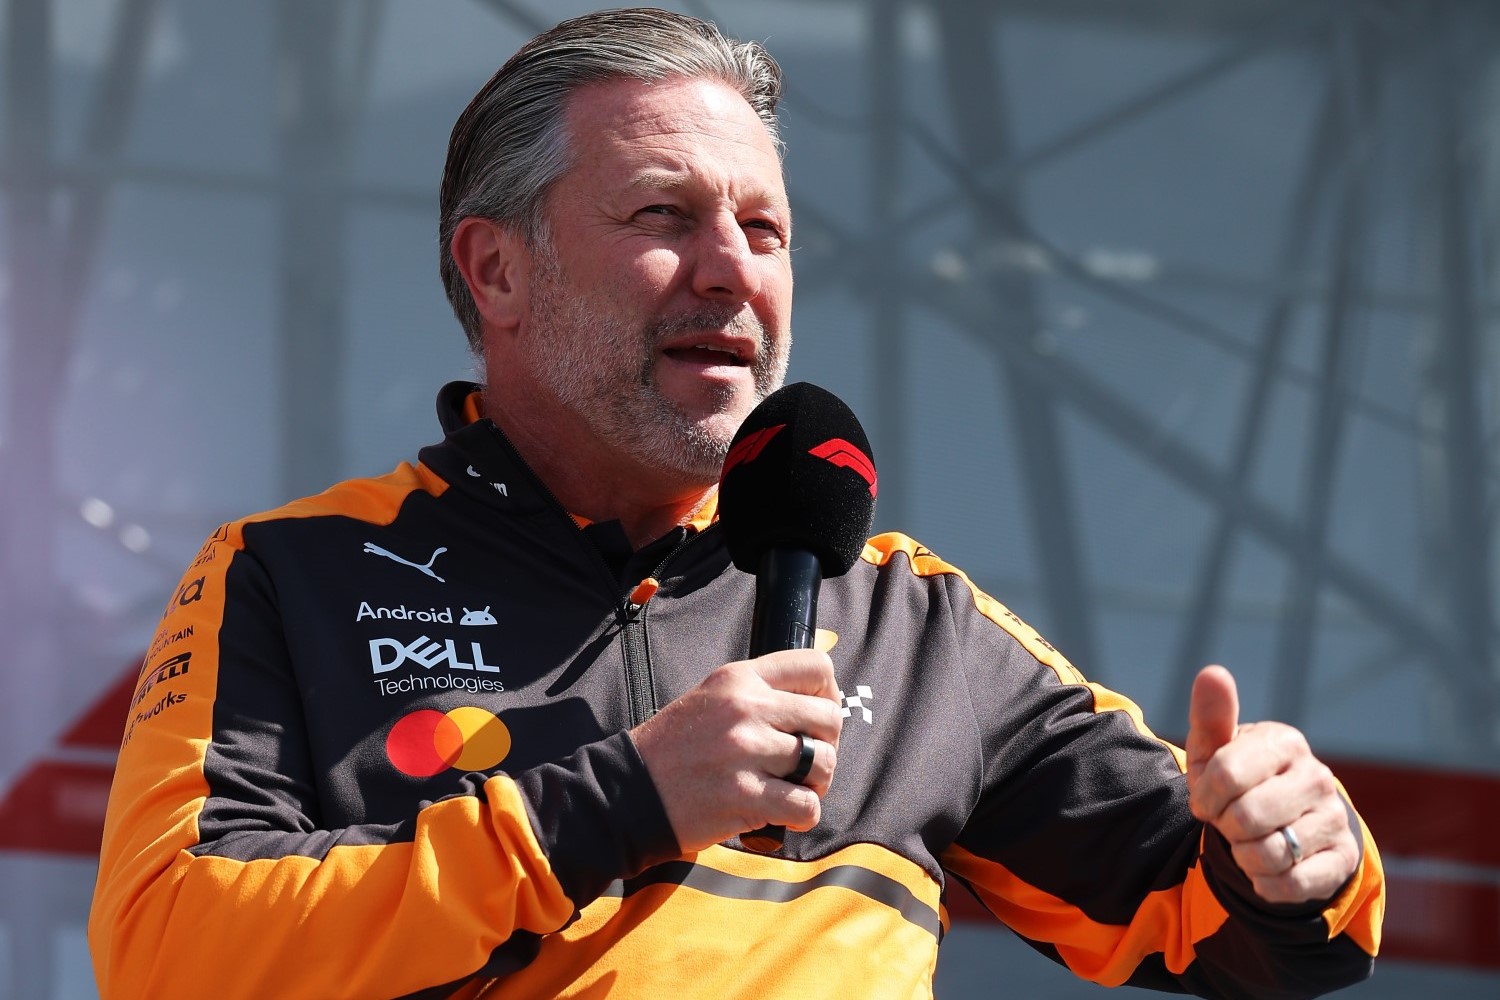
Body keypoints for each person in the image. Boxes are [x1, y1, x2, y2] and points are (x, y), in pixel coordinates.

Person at [89, 8, 1384, 1000]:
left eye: (765, 232)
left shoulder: (912, 623)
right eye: (665, 214)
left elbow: (1241, 937)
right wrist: (620, 804)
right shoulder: (295, 571)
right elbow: (165, 955)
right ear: (495, 271)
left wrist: (1299, 863)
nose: (730, 272)